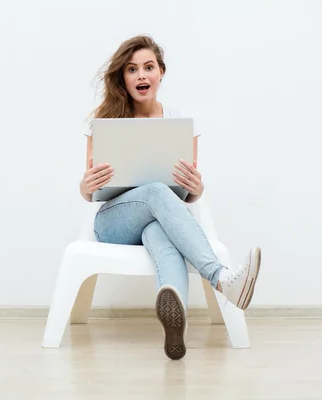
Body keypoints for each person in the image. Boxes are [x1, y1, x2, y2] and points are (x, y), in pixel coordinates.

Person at [79, 35, 261, 361]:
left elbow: (189, 194)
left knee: (159, 228)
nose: (141, 76)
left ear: (161, 72)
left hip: (159, 218)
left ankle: (176, 325)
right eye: (132, 69)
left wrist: (197, 188)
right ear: (123, 77)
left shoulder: (178, 121)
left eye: (148, 67)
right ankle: (221, 278)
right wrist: (85, 184)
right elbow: (89, 192)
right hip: (114, 222)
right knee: (156, 192)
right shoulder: (105, 121)